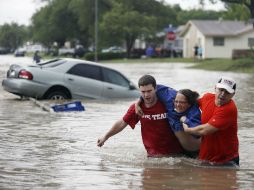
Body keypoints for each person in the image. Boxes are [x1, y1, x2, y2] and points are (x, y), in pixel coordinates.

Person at [97, 75, 184, 157]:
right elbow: (122, 123)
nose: (146, 95)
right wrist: (105, 136)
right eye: (143, 92)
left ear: (156, 89)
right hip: (153, 156)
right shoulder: (137, 108)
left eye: (149, 91)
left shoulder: (169, 103)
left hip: (176, 155)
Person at [182, 76, 239, 166]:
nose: (223, 94)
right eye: (221, 90)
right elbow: (192, 103)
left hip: (226, 161)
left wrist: (187, 129)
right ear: (215, 88)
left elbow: (204, 130)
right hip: (205, 158)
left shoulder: (229, 109)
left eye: (227, 92)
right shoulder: (207, 97)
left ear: (233, 95)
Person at [135, 86, 201, 155]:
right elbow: (153, 87)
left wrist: (185, 120)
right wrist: (138, 102)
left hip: (195, 151)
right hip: (180, 149)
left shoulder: (194, 112)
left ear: (189, 104)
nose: (178, 105)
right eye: (176, 101)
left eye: (182, 102)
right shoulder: (170, 99)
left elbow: (197, 134)